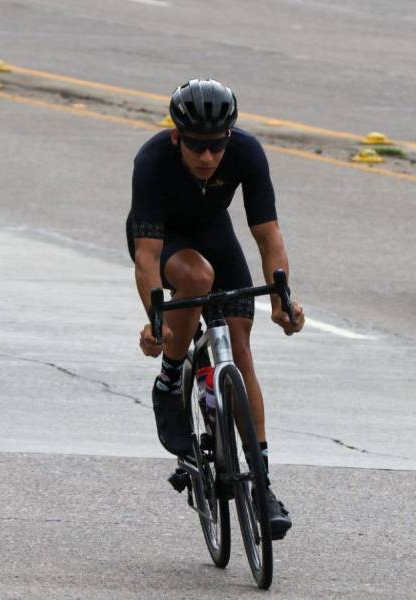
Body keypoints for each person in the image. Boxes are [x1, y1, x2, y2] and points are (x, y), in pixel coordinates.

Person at [126, 78, 305, 538]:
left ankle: (261, 486)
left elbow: (268, 236)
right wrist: (155, 319)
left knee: (240, 350)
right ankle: (169, 378)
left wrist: (283, 300)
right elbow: (147, 256)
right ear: (176, 138)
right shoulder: (151, 160)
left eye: (216, 147)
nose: (206, 158)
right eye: (196, 147)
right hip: (166, 240)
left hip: (215, 236)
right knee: (196, 277)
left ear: (229, 139)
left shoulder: (247, 152)